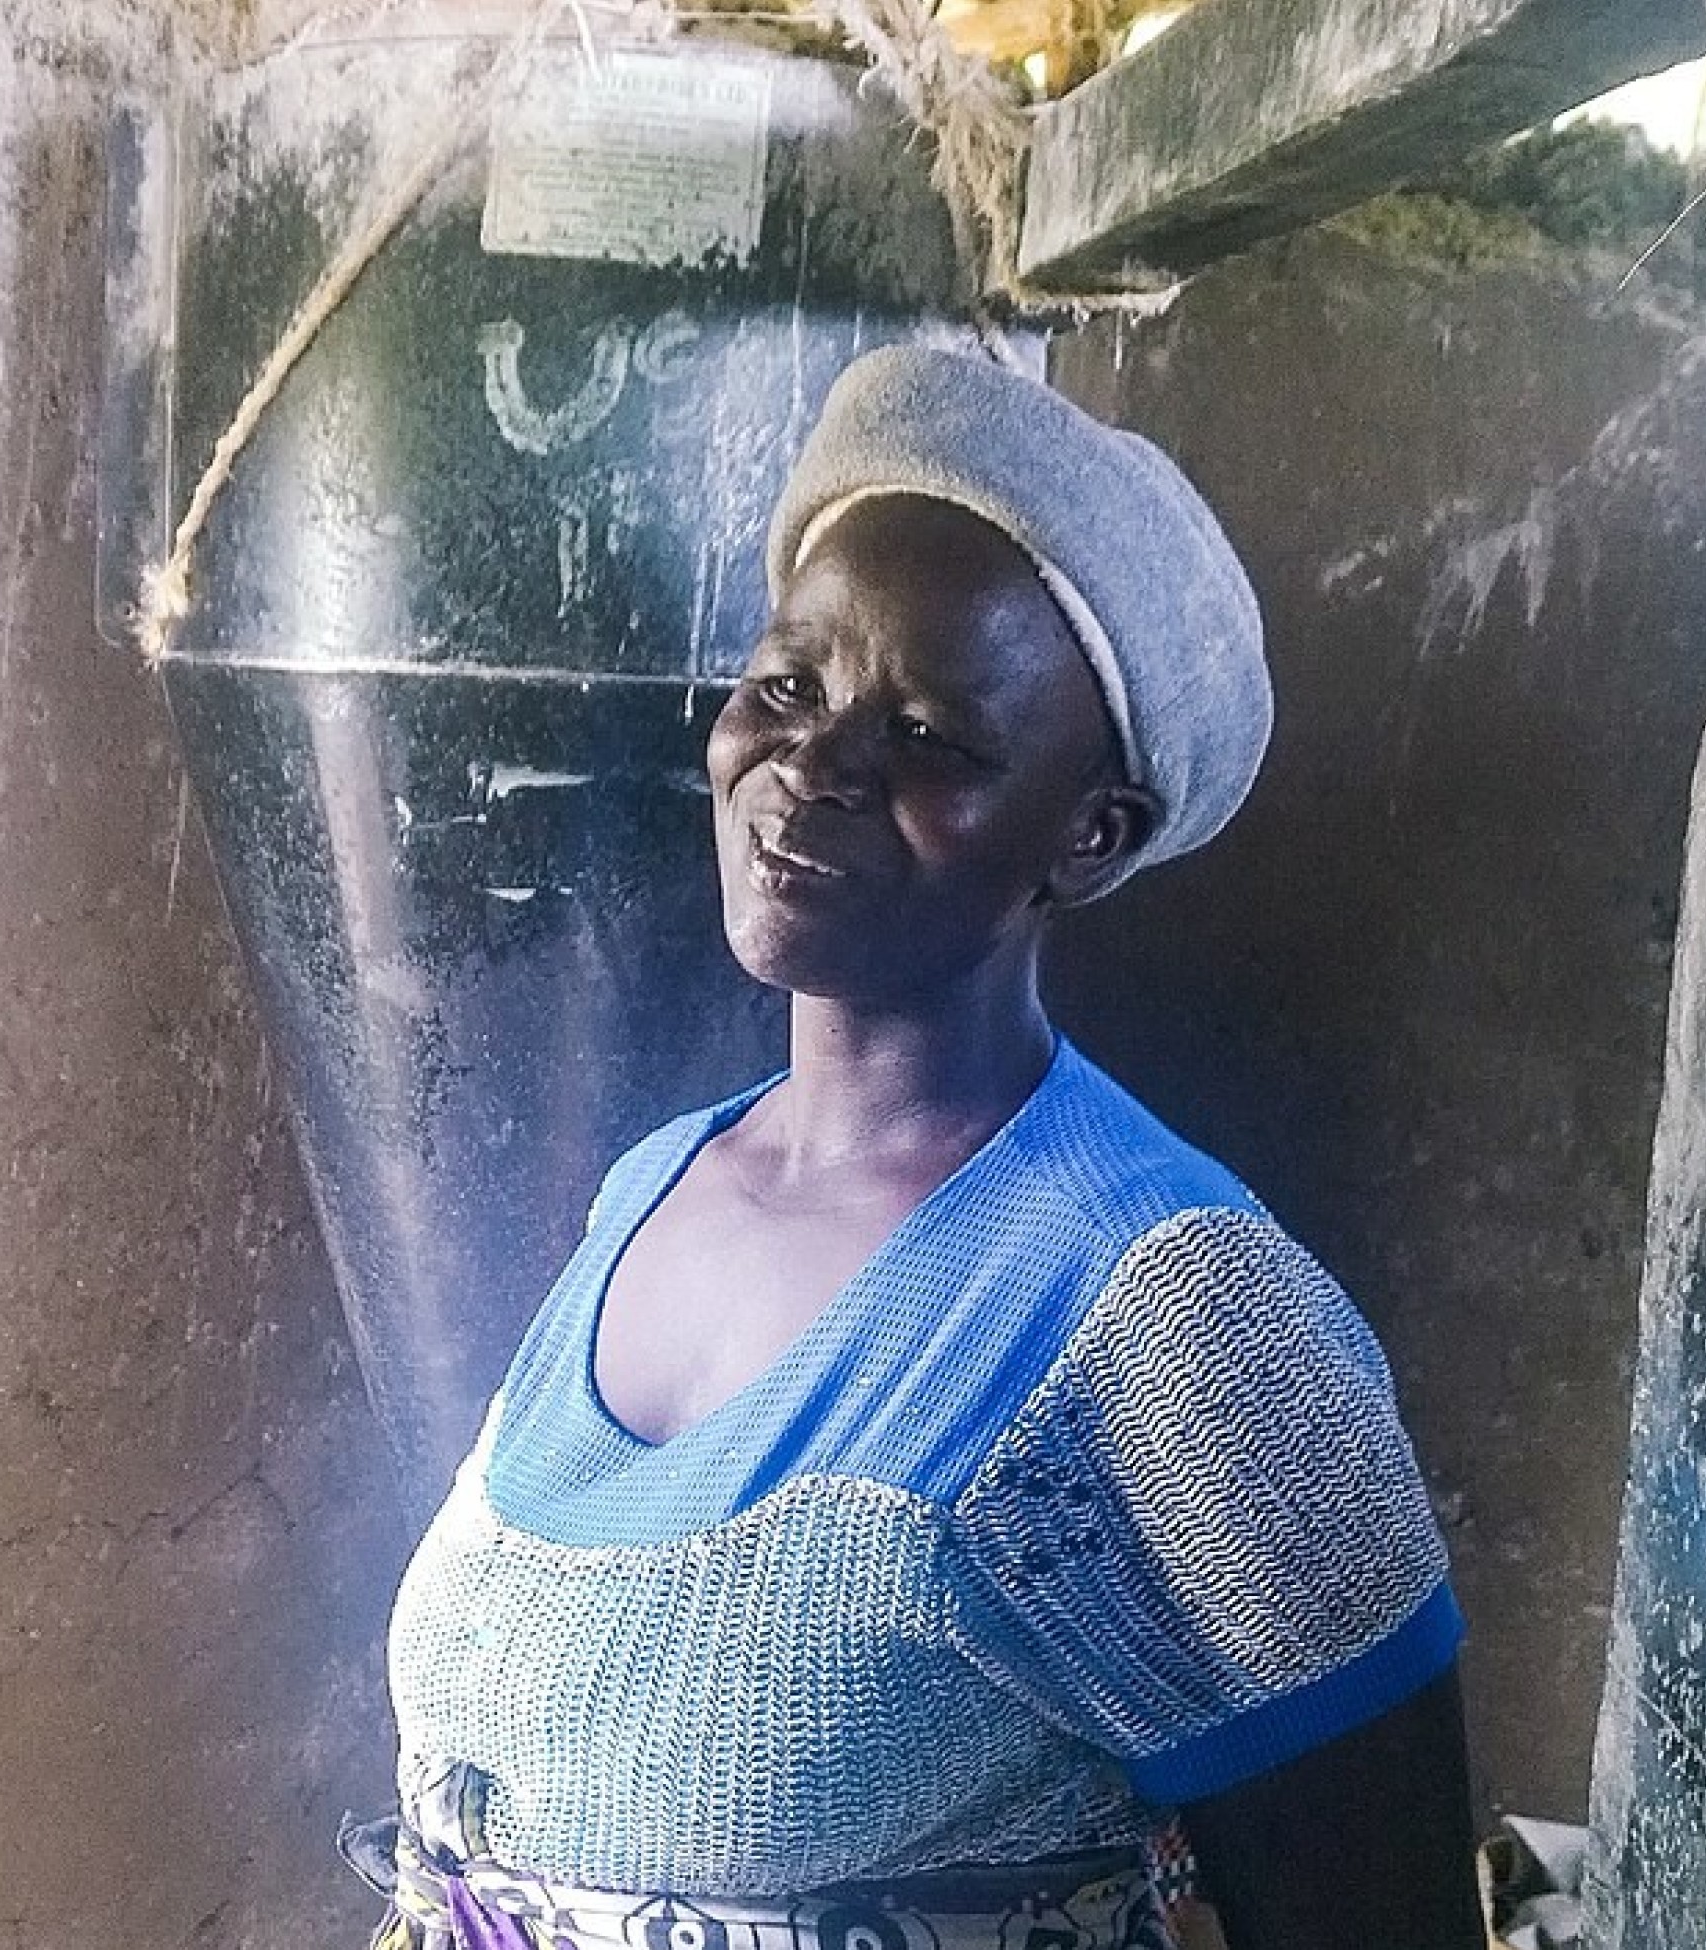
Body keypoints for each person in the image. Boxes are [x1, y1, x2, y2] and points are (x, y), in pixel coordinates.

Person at [345, 347, 1485, 1950]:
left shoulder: (1171, 1319)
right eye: (788, 687)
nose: (812, 767)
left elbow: (1387, 1918)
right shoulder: (655, 1187)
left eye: (933, 733)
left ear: (1085, 835)